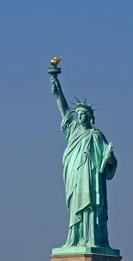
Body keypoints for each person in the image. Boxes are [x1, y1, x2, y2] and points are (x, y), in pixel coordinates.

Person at [50, 75, 117, 249]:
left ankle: (92, 239)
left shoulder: (96, 135)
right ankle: (75, 239)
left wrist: (109, 159)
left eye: (82, 114)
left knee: (92, 207)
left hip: (91, 177)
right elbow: (64, 110)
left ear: (89, 117)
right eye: (77, 114)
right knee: (75, 207)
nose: (79, 117)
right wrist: (57, 88)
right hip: (75, 176)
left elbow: (109, 159)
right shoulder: (72, 130)